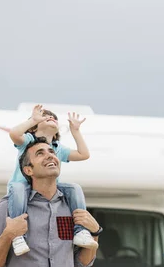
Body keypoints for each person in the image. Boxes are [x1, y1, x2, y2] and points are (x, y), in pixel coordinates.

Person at [0, 137, 102, 267]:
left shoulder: (72, 207)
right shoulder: (9, 207)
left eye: (52, 152)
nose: (49, 156)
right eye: (40, 153)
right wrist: (8, 234)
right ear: (28, 170)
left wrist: (95, 233)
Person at [6, 104, 97, 255]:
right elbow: (14, 133)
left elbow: (83, 154)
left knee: (74, 188)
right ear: (34, 127)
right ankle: (18, 237)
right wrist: (32, 120)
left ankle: (80, 232)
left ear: (56, 133)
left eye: (54, 118)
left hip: (49, 188)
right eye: (45, 117)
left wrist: (75, 131)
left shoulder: (58, 148)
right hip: (22, 187)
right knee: (17, 188)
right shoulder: (29, 141)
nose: (51, 118)